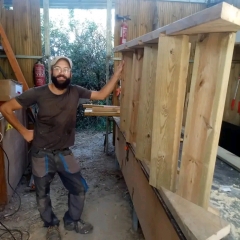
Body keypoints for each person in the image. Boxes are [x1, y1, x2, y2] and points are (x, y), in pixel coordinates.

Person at [0, 56, 124, 240]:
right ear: (51, 72)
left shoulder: (75, 92)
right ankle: (50, 225)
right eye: (58, 68)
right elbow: (6, 108)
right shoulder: (37, 93)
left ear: (70, 74)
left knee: (79, 188)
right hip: (41, 153)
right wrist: (24, 131)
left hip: (64, 152)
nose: (61, 72)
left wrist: (116, 75)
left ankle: (72, 220)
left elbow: (101, 95)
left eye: (66, 69)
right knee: (42, 195)